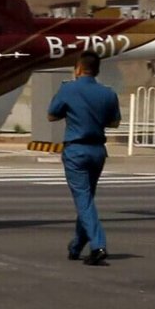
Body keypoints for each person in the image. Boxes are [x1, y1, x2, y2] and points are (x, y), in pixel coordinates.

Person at [47, 50, 121, 266]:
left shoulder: (68, 89)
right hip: (98, 151)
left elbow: (51, 114)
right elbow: (115, 122)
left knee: (83, 199)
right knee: (87, 199)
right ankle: (77, 246)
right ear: (97, 70)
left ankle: (98, 245)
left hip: (76, 151)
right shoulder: (108, 93)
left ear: (78, 69)